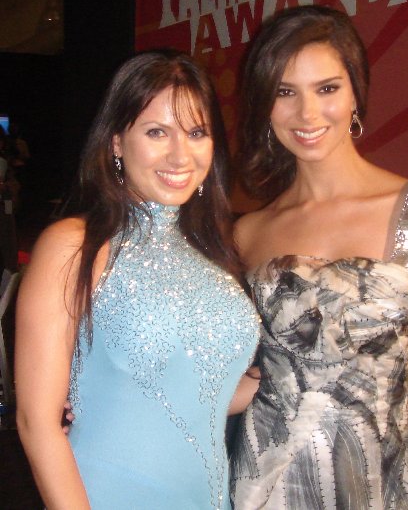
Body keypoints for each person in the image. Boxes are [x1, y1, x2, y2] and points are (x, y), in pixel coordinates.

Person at [228, 5, 408, 509]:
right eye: (284, 92)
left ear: (356, 91)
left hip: (386, 483)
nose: (308, 115)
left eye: (327, 88)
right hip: (268, 485)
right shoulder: (249, 233)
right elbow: (235, 366)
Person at [15, 49, 259, 509]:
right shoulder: (75, 245)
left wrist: (298, 371)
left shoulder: (216, 256)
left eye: (195, 132)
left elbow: (200, 392)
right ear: (115, 142)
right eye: (156, 132)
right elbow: (36, 421)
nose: (179, 154)